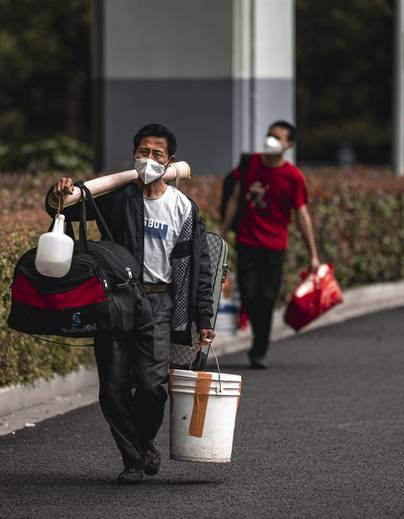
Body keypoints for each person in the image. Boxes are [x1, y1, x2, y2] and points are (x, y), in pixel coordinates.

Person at [47, 123, 215, 485]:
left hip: (160, 303)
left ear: (170, 161)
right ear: (133, 154)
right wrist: (59, 192)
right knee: (113, 386)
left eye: (157, 154)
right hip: (116, 303)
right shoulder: (117, 196)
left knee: (154, 385)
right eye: (142, 151)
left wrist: (204, 316)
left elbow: (200, 266)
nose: (148, 159)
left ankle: (141, 442)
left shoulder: (183, 207)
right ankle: (134, 459)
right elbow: (65, 206)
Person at [219, 121, 320, 369]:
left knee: (266, 297)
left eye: (278, 137)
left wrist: (313, 255)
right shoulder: (250, 164)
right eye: (269, 135)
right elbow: (234, 198)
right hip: (247, 242)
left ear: (289, 144)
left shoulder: (293, 177)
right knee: (251, 295)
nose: (271, 140)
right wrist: (221, 233)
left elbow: (302, 215)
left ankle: (259, 348)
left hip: (275, 246)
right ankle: (258, 337)